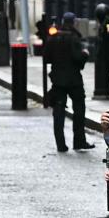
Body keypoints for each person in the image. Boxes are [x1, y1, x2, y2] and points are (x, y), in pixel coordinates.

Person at [44, 12, 92, 153]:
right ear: (74, 22)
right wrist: (85, 54)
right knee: (79, 110)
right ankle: (79, 141)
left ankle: (61, 144)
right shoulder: (74, 38)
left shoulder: (53, 37)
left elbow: (46, 57)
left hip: (58, 80)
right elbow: (78, 58)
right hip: (73, 80)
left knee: (58, 112)